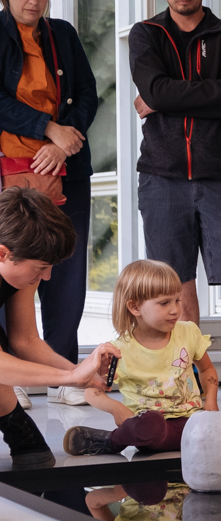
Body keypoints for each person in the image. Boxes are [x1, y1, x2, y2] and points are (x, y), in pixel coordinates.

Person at [129, 0, 221, 351]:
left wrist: (167, 97)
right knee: (174, 285)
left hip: (219, 177)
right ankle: (187, 376)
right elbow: (155, 90)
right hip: (161, 177)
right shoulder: (146, 34)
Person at [0, 0, 98, 406]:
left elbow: (87, 94)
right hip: (7, 168)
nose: (34, 0)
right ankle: (10, 378)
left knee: (65, 270)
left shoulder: (64, 34)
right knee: (12, 264)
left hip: (65, 166)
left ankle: (65, 375)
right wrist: (47, 127)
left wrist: (62, 144)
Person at [0, 188, 118, 467]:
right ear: (3, 253)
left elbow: (25, 340)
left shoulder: (22, 262)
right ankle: (12, 419)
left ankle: (13, 422)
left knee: (37, 457)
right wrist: (71, 377)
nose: (47, 276)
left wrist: (81, 373)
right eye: (40, 267)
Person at [64, 259, 219, 456]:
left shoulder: (189, 332)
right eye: (164, 303)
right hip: (153, 430)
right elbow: (91, 391)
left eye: (177, 300)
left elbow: (206, 369)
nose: (175, 309)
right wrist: (117, 409)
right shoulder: (119, 350)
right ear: (135, 307)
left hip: (194, 420)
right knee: (151, 424)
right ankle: (111, 441)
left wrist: (211, 402)